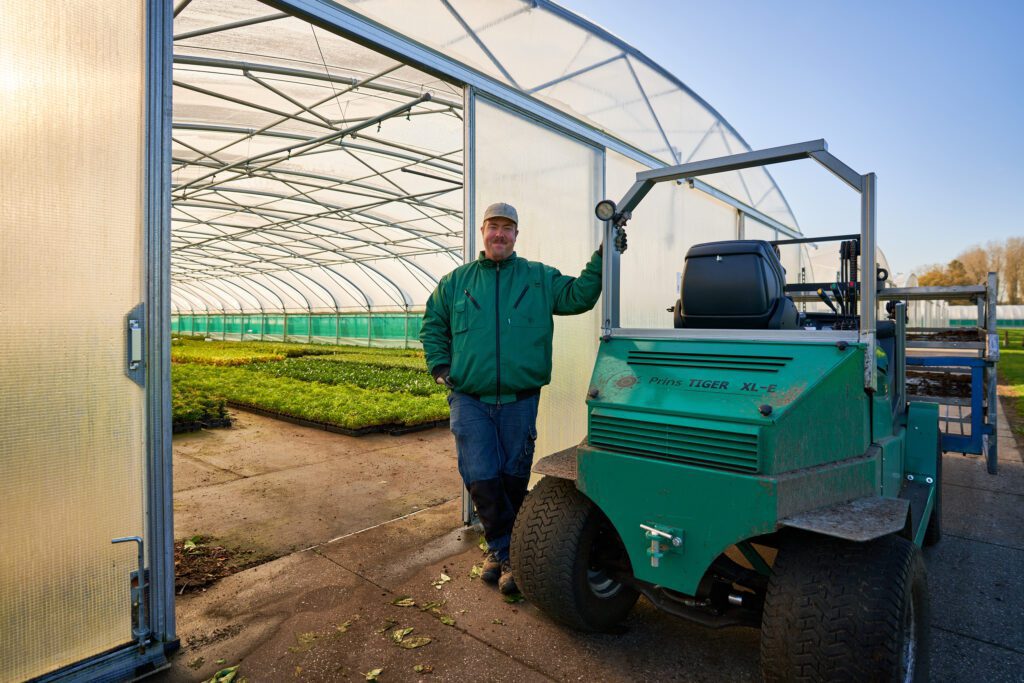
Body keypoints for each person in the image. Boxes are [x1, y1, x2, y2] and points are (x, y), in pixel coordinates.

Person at [420, 201, 607, 595]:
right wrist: (440, 367)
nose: (499, 234)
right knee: (481, 477)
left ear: (516, 235)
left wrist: (604, 257)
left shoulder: (538, 278)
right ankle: (507, 553)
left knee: (512, 475)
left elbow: (579, 296)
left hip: (520, 399)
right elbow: (433, 323)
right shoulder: (457, 282)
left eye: (507, 228)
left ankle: (504, 553)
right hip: (469, 397)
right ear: (483, 232)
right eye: (493, 227)